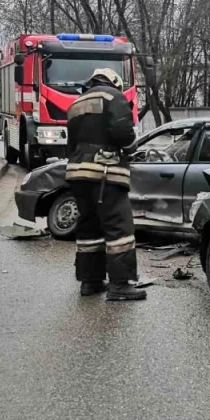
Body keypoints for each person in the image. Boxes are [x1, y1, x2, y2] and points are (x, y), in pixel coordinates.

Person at [65, 68, 144, 301]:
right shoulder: (113, 96)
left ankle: (90, 282)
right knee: (119, 228)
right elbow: (122, 131)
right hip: (104, 173)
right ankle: (120, 286)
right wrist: (130, 147)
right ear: (114, 82)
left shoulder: (76, 103)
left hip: (77, 174)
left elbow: (71, 144)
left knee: (90, 228)